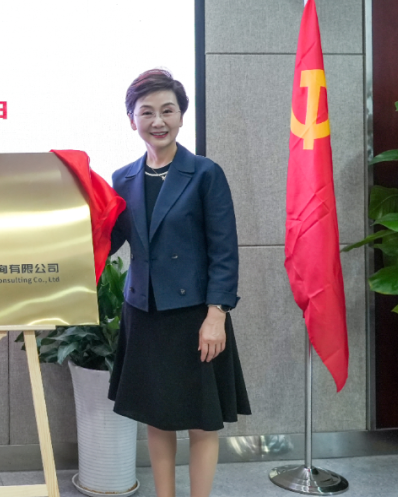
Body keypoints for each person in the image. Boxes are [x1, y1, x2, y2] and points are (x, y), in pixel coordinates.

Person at [107, 69, 250, 497]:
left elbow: (224, 251)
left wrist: (216, 316)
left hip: (194, 316)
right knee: (157, 417)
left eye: (167, 110)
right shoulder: (123, 178)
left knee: (202, 422)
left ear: (182, 116)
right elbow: (107, 241)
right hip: (144, 314)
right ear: (131, 120)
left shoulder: (205, 173)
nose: (158, 121)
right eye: (146, 112)